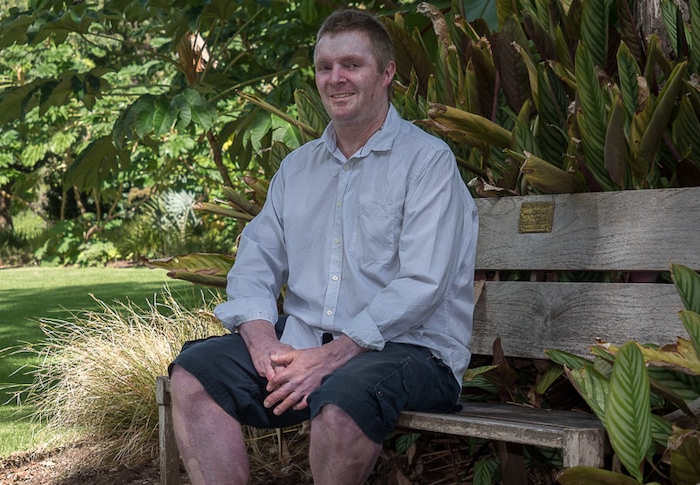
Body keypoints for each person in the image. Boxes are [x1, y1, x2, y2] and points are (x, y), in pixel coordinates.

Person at [168, 8, 478, 485]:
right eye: (324, 67)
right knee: (195, 375)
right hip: (305, 346)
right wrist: (264, 345)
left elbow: (422, 284)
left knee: (340, 403)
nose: (336, 79)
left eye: (351, 64)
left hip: (412, 352)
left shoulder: (426, 163)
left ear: (386, 72)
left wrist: (329, 360)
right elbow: (255, 261)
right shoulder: (297, 168)